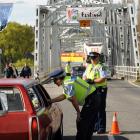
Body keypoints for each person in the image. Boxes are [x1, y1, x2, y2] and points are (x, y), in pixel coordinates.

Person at [48, 68, 101, 140]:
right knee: (89, 123)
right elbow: (64, 95)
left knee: (81, 123)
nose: (54, 83)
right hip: (95, 97)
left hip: (92, 99)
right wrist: (52, 100)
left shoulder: (67, 83)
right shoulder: (68, 79)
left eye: (54, 80)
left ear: (59, 79)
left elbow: (73, 99)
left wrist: (78, 113)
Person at [88, 52, 108, 134]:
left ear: (98, 57)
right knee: (94, 109)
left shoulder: (102, 67)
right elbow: (85, 75)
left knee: (100, 109)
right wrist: (86, 79)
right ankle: (95, 127)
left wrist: (93, 81)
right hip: (91, 90)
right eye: (91, 58)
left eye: (94, 58)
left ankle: (101, 127)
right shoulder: (89, 66)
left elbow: (103, 78)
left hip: (100, 90)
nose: (92, 59)